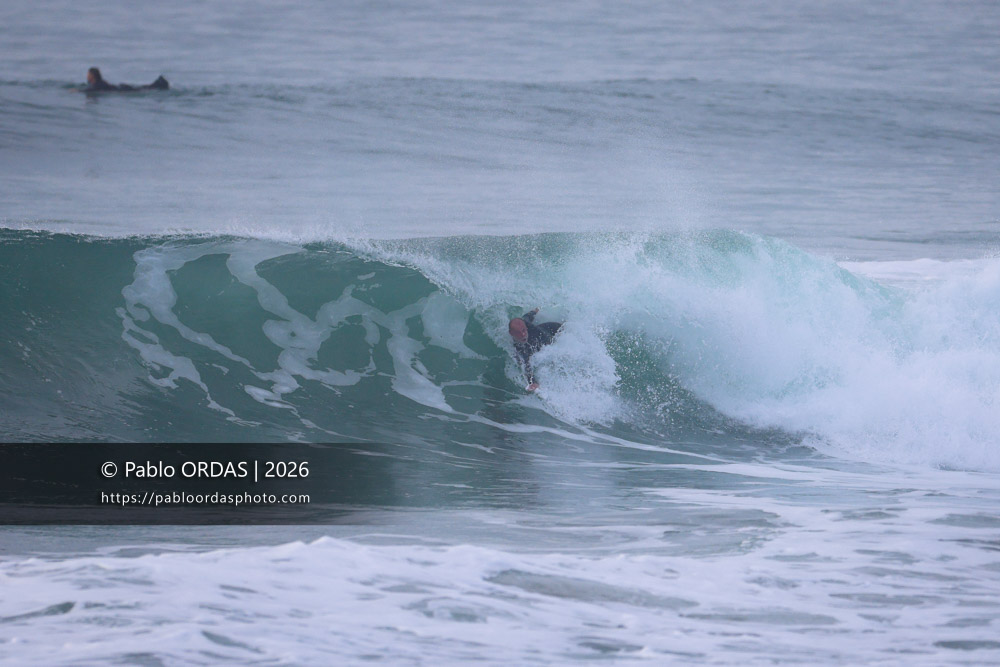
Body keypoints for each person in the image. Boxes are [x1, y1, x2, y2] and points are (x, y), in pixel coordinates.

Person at [509, 308, 563, 392]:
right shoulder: (518, 345)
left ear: (526, 327)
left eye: (523, 330)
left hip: (553, 330)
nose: (522, 334)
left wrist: (534, 311)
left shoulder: (535, 332)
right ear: (511, 334)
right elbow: (526, 365)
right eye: (518, 333)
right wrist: (533, 382)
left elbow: (526, 318)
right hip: (544, 332)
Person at [84, 67, 169, 92]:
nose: (87, 76)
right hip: (121, 88)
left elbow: (91, 90)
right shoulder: (99, 83)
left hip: (121, 90)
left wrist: (77, 91)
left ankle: (160, 84)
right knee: (143, 88)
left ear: (92, 76)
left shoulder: (97, 84)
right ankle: (159, 83)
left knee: (143, 89)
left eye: (88, 74)